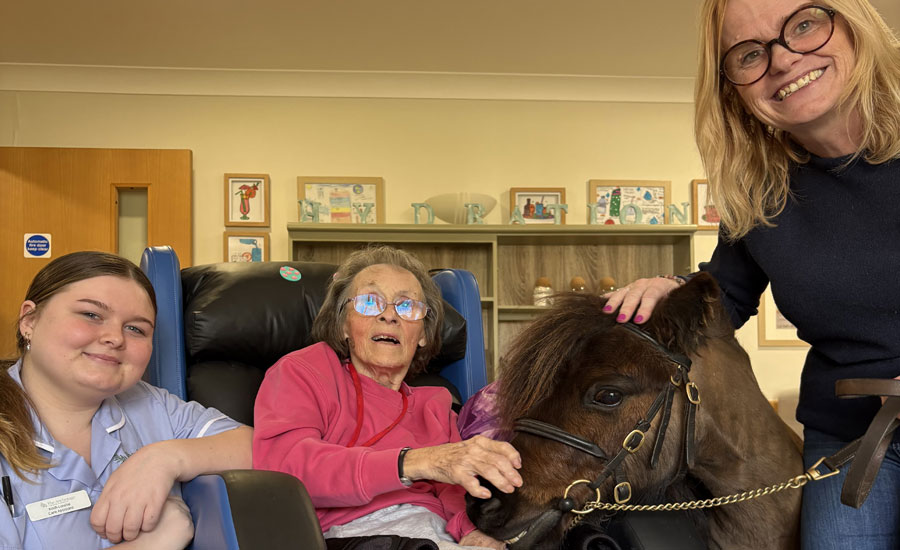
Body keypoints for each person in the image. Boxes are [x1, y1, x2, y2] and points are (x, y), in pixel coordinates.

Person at [603, 1, 900, 548]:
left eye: (804, 25)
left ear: (854, 26)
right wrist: (671, 293)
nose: (784, 59)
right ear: (733, 90)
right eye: (748, 54)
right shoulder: (759, 196)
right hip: (850, 435)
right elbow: (723, 299)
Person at [253, 245, 520, 549]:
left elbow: (453, 492)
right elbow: (287, 469)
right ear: (343, 325)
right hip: (345, 535)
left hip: (434, 535)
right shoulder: (304, 371)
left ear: (422, 334)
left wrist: (471, 532)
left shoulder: (436, 405)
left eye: (407, 306)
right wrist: (413, 461)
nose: (389, 316)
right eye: (370, 302)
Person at [0, 251, 253, 549]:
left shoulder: (149, 405)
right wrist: (152, 544)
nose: (115, 338)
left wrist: (163, 459)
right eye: (91, 315)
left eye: (136, 328)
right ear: (29, 320)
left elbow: (255, 447)